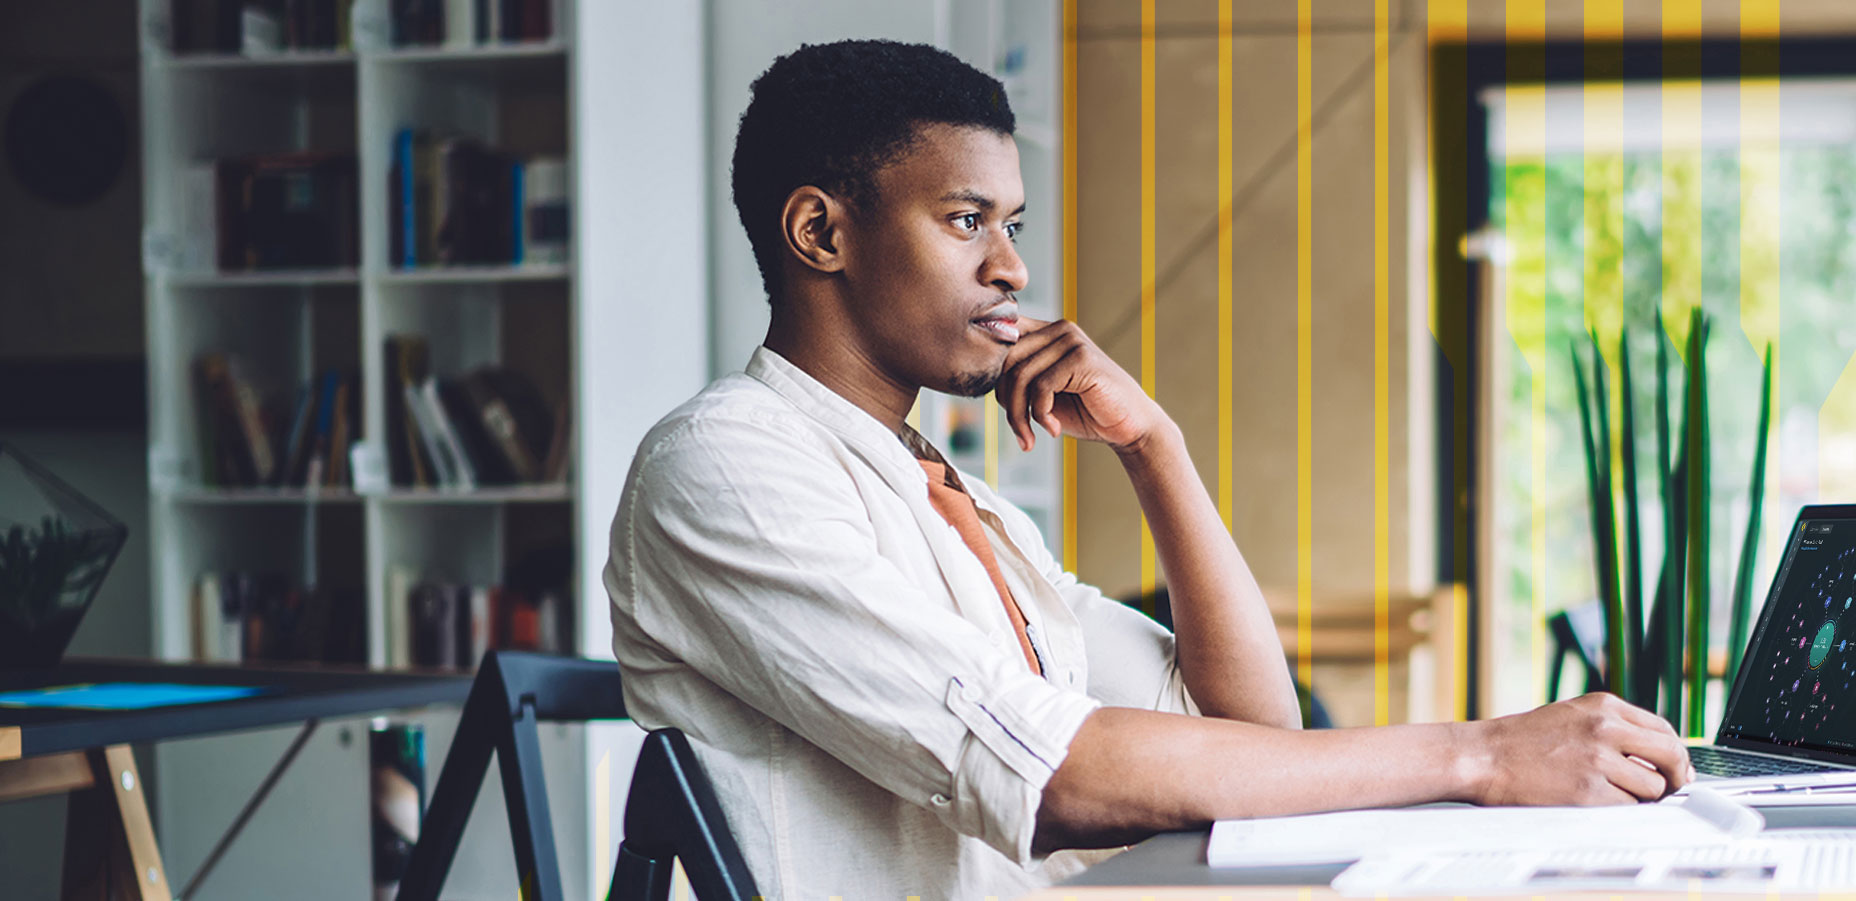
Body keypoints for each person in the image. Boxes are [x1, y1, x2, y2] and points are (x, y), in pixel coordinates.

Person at [604, 38, 1692, 900]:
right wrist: (1479, 755)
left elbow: (1254, 740)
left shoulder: (960, 504)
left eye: (1013, 223)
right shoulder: (725, 467)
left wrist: (1154, 449)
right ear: (819, 232)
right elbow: (1059, 776)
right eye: (966, 220)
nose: (1014, 266)